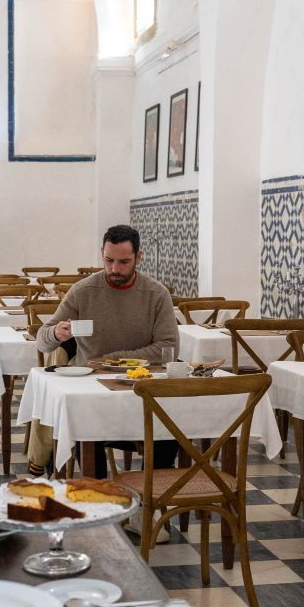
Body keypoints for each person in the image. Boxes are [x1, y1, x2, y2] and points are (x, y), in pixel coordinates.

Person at [28, 224, 180, 541]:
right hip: (93, 393)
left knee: (171, 425)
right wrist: (56, 334)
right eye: (109, 260)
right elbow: (42, 341)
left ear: (138, 257)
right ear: (102, 254)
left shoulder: (156, 294)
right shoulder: (84, 290)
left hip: (141, 389)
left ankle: (147, 510)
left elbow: (168, 349)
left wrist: (114, 358)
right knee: (87, 423)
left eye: (123, 262)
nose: (114, 269)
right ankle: (98, 507)